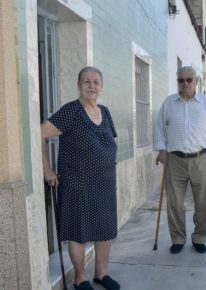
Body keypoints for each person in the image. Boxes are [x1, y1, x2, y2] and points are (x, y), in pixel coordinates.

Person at [41, 66, 120, 290]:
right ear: (78, 86)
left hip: (104, 183)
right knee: (78, 231)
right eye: (86, 81)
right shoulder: (70, 112)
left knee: (104, 229)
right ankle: (80, 278)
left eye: (96, 81)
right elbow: (40, 134)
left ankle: (101, 274)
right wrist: (47, 170)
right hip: (77, 185)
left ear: (101, 87)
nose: (91, 85)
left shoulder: (105, 112)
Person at [154, 66, 206, 255]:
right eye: (181, 80)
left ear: (196, 81)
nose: (184, 83)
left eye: (188, 80)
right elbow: (159, 129)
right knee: (174, 203)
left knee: (203, 203)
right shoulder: (169, 103)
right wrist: (161, 150)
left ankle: (199, 237)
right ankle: (178, 238)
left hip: (202, 159)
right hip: (175, 160)